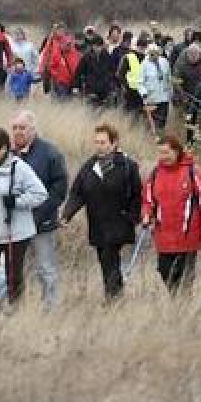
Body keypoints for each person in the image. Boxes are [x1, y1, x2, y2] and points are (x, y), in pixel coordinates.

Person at [0, 126, 48, 311]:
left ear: (3, 148)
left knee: (13, 274)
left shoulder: (19, 168)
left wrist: (18, 201)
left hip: (15, 232)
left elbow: (40, 194)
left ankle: (15, 310)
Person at [62, 124, 142, 302]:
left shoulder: (128, 166)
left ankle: (112, 299)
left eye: (103, 142)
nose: (99, 146)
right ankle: (116, 297)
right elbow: (77, 193)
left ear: (114, 144)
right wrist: (67, 214)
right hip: (97, 223)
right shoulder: (89, 167)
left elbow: (138, 194)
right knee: (105, 260)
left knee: (109, 257)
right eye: (96, 142)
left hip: (119, 222)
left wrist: (133, 217)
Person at [142, 135, 201, 295]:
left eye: (166, 153)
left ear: (176, 152)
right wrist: (147, 215)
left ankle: (182, 306)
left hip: (188, 236)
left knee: (185, 278)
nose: (163, 157)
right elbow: (148, 200)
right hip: (164, 236)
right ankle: (176, 300)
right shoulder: (155, 173)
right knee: (165, 271)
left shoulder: (193, 172)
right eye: (160, 153)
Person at [139, 43, 173, 133]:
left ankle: (161, 138)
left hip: (164, 97)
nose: (154, 56)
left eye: (156, 53)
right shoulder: (144, 64)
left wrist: (171, 92)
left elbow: (169, 78)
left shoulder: (164, 61)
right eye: (152, 54)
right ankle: (150, 140)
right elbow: (140, 82)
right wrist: (144, 93)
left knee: (162, 122)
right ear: (148, 53)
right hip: (151, 98)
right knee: (151, 124)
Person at [75, 36, 116, 107]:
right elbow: (78, 72)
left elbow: (112, 71)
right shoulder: (86, 57)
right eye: (96, 46)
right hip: (91, 89)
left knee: (105, 111)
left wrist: (112, 87)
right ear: (92, 46)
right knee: (92, 111)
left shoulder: (107, 56)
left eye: (99, 46)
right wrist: (76, 86)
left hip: (105, 89)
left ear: (102, 46)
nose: (98, 48)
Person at [116, 33, 145, 114]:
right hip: (130, 92)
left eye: (144, 47)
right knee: (130, 114)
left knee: (141, 115)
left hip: (142, 91)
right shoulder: (128, 57)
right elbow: (120, 74)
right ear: (136, 46)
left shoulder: (146, 58)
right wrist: (126, 86)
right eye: (140, 46)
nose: (142, 48)